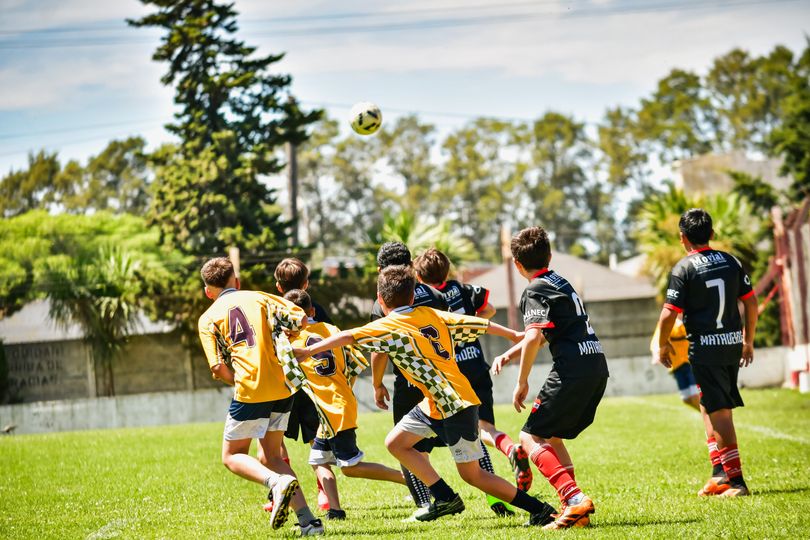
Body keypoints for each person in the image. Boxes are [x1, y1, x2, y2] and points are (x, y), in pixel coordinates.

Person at [294, 265, 559, 527]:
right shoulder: (430, 313)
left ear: (380, 299)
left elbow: (348, 336)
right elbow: (475, 321)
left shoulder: (389, 325)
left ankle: (540, 510)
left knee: (473, 475)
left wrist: (307, 352)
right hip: (437, 402)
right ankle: (445, 497)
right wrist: (512, 334)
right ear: (412, 296)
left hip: (455, 404)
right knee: (396, 442)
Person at [491, 226, 609, 529]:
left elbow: (534, 337)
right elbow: (542, 335)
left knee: (529, 436)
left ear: (517, 264)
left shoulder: (534, 289)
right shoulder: (560, 282)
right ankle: (574, 510)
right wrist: (509, 353)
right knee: (552, 436)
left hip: (572, 370)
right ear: (550, 255)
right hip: (595, 364)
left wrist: (521, 381)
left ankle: (574, 499)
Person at [196, 257, 323, 536]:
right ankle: (308, 521)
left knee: (232, 456)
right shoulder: (259, 297)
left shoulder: (207, 318)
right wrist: (285, 335)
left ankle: (275, 484)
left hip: (251, 390)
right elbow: (300, 318)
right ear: (237, 282)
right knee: (271, 456)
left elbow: (217, 367)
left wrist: (237, 380)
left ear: (208, 291)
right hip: (283, 386)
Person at [413, 248, 533, 496]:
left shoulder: (423, 297)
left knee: (440, 430)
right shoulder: (462, 289)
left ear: (420, 277)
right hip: (477, 362)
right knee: (485, 426)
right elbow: (489, 310)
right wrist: (472, 323)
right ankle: (510, 448)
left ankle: (431, 485)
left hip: (453, 372)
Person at [657, 208, 758, 497]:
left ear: (682, 238)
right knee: (708, 403)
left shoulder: (684, 269)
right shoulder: (731, 261)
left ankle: (736, 481)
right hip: (730, 344)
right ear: (712, 234)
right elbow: (751, 303)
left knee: (720, 412)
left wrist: (663, 345)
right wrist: (747, 340)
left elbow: (667, 315)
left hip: (706, 348)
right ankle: (719, 473)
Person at [283, 289, 407, 520]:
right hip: (337, 404)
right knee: (317, 459)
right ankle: (336, 510)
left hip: (333, 410)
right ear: (312, 311)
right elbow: (357, 362)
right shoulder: (330, 330)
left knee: (350, 468)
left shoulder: (291, 342)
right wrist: (342, 387)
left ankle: (410, 479)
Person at [369, 242, 449, 515]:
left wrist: (377, 384)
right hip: (442, 381)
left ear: (380, 270)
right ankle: (493, 494)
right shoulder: (436, 295)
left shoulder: (383, 302)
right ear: (412, 266)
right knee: (461, 439)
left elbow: (379, 350)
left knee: (404, 443)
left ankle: (425, 503)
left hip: (409, 381)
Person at [272, 258, 332, 510]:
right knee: (315, 438)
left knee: (274, 441)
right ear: (306, 283)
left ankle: (279, 491)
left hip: (281, 384)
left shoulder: (271, 309)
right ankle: (324, 493)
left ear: (277, 286)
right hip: (311, 385)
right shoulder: (315, 308)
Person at [650, 315, 701, 410]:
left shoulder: (690, 319)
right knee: (686, 399)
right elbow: (657, 338)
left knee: (695, 395)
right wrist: (656, 353)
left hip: (690, 362)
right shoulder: (666, 323)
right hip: (676, 364)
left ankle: (709, 417)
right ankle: (708, 415)